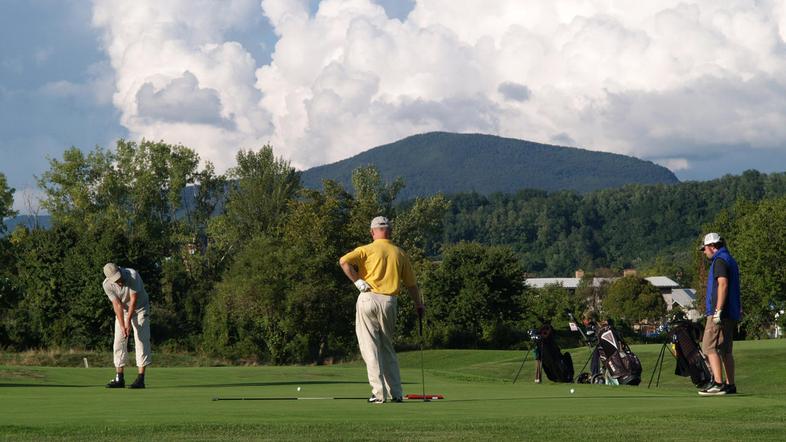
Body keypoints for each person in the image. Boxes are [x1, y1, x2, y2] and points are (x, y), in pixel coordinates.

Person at [339, 216, 425, 404]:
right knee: (387, 346)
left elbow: (343, 261)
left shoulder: (366, 249)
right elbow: (411, 285)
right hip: (389, 301)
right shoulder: (399, 253)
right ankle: (396, 393)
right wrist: (418, 304)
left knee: (370, 347)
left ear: (372, 232)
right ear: (390, 231)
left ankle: (378, 394)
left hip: (368, 297)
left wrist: (357, 281)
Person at [698, 233, 741, 396]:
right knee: (725, 350)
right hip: (731, 312)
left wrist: (718, 310)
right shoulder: (730, 259)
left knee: (709, 346)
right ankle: (730, 385)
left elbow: (722, 285)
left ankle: (717, 383)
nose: (704, 252)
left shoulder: (720, 261)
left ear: (712, 246)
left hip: (720, 312)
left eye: (705, 249)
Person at [102, 263, 152, 389]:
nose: (119, 281)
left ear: (119, 270)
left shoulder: (132, 275)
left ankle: (141, 379)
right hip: (123, 312)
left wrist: (128, 322)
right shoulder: (107, 285)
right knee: (118, 342)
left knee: (141, 340)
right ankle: (119, 378)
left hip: (140, 309)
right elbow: (117, 305)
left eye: (119, 278)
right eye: (115, 280)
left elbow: (133, 300)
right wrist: (123, 324)